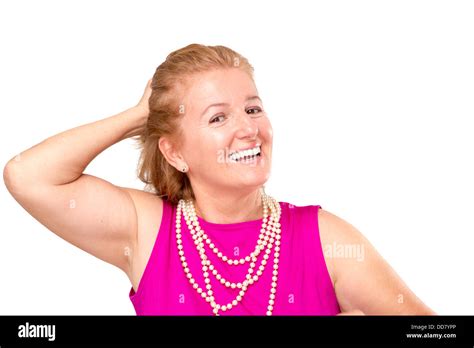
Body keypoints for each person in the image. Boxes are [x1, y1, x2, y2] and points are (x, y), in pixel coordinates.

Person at [3, 43, 435, 316]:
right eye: (218, 117)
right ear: (174, 152)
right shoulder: (147, 229)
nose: (249, 128)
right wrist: (139, 116)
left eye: (252, 108)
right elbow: (28, 176)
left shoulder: (322, 238)